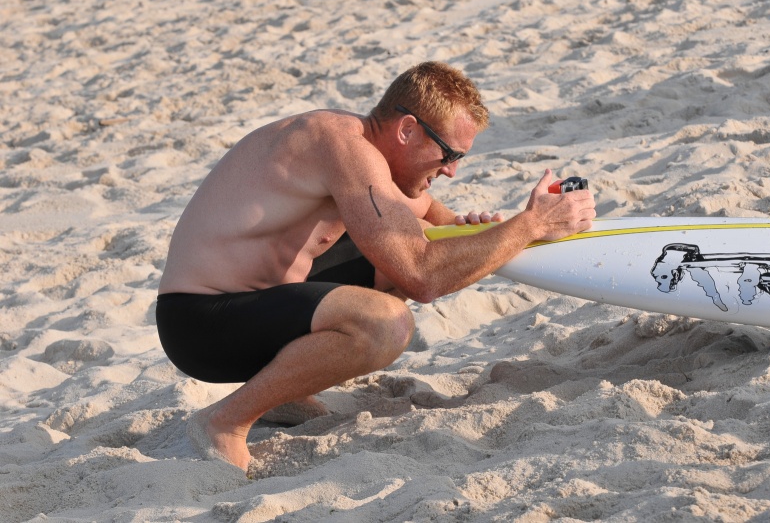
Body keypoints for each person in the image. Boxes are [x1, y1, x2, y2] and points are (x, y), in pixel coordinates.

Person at [156, 61, 596, 472]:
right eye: (448, 155)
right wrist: (530, 225)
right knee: (386, 324)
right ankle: (224, 422)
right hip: (200, 322)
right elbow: (422, 277)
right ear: (407, 129)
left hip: (263, 302)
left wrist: (495, 232)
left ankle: (280, 391)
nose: (451, 171)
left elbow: (435, 223)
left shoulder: (367, 148)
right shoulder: (343, 147)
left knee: (413, 247)